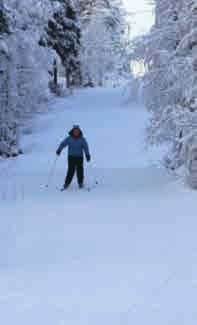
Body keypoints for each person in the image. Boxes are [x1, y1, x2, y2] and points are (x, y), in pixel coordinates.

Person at [56, 125, 91, 190]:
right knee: (71, 170)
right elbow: (63, 144)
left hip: (79, 157)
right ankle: (67, 183)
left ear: (79, 132)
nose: (76, 132)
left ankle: (80, 183)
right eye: (75, 131)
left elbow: (86, 147)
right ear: (73, 131)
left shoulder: (82, 139)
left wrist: (87, 155)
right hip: (71, 156)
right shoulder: (69, 138)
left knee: (80, 170)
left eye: (77, 131)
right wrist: (59, 150)